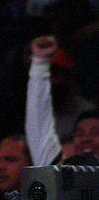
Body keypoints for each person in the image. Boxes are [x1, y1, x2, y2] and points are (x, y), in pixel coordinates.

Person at [26, 35, 99, 165]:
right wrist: (40, 63)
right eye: (79, 134)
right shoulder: (62, 170)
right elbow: (39, 128)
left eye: (95, 133)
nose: (86, 139)